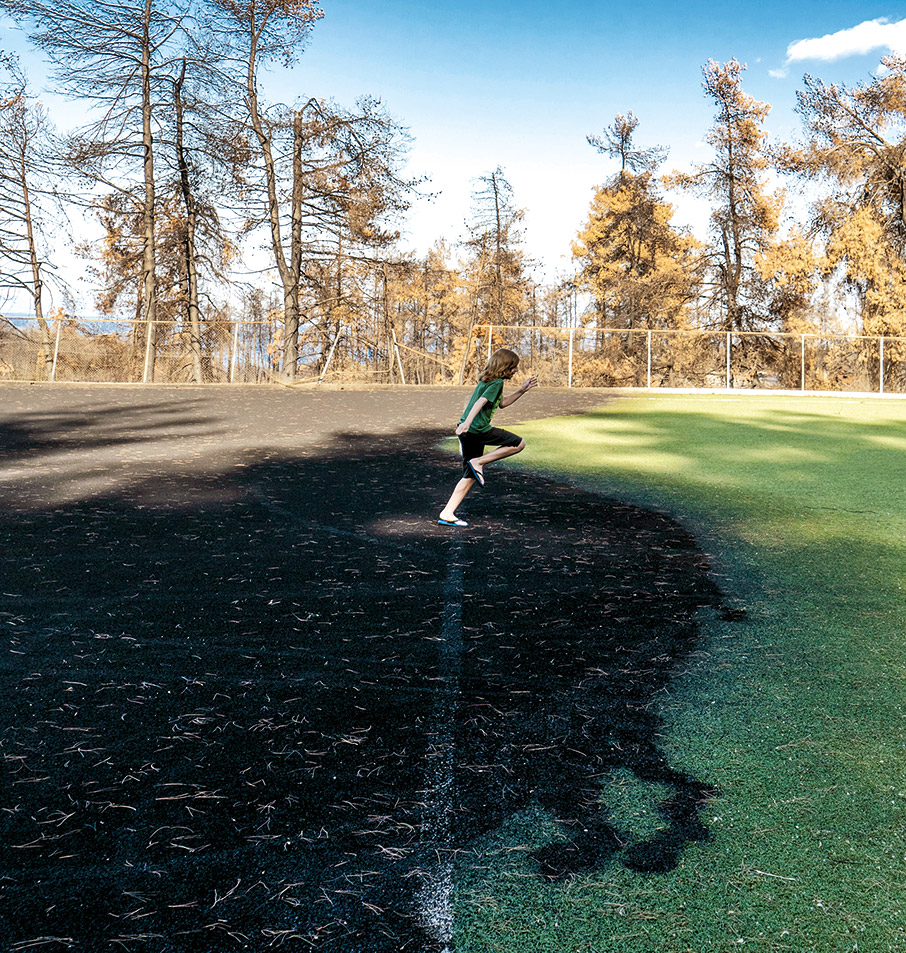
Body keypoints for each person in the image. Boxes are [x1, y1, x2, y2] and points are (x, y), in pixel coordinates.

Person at [438, 347, 538, 527]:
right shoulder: (497, 382)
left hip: (469, 432)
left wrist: (522, 390)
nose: (516, 370)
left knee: (469, 476)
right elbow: (480, 402)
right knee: (519, 443)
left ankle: (447, 512)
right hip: (477, 430)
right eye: (514, 367)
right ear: (505, 366)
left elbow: (503, 403)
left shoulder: (488, 381)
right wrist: (468, 423)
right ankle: (479, 462)